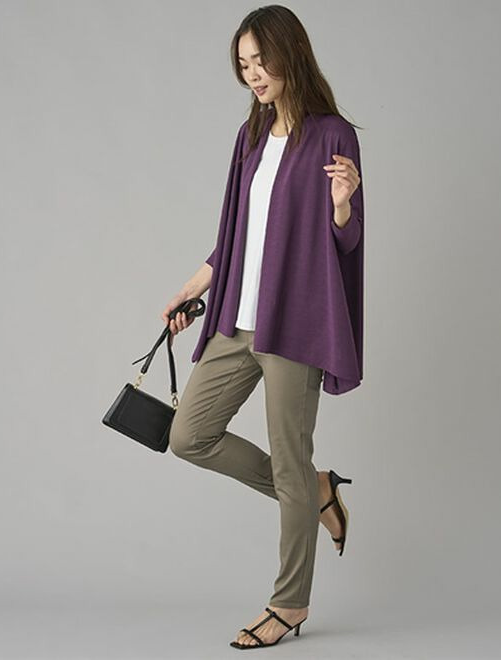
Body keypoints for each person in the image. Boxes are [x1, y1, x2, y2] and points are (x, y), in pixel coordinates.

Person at [161, 5, 364, 650]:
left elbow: (346, 241)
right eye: (243, 64)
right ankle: (317, 490)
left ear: (289, 55)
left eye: (261, 61)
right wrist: (194, 287)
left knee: (289, 463)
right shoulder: (249, 136)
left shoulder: (333, 134)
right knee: (189, 436)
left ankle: (289, 604)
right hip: (236, 319)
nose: (252, 74)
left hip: (293, 324)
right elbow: (236, 235)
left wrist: (341, 206)